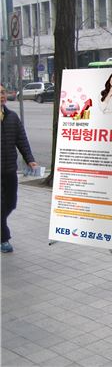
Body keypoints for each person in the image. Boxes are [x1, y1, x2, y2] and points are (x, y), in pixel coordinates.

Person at [1, 85, 38, 253]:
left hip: (10, 170)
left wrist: (30, 160)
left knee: (11, 203)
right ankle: (4, 238)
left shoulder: (12, 117)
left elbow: (21, 140)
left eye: (2, 92)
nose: (1, 96)